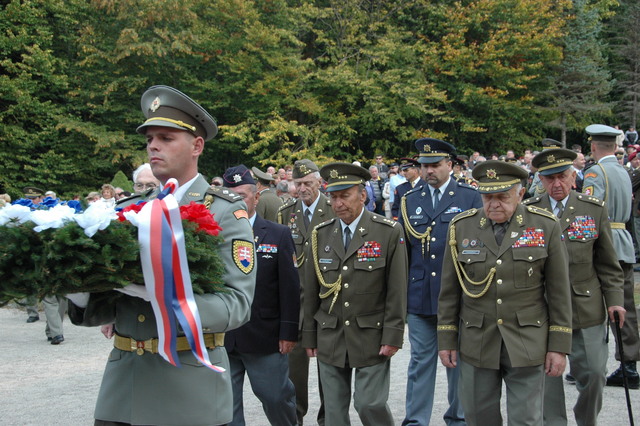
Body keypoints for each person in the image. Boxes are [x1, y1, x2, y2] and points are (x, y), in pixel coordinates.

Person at [66, 85, 256, 425]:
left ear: (197, 146)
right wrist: (78, 288)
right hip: (123, 389)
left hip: (189, 389)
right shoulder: (129, 210)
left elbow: (237, 304)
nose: (153, 145)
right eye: (150, 138)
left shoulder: (225, 211)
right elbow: (112, 306)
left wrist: (166, 298)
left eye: (166, 138)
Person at [437, 160, 572, 425]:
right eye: (487, 197)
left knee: (526, 419)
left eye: (502, 197)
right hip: (478, 340)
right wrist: (446, 339)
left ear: (520, 194)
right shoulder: (462, 226)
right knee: (479, 417)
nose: (494, 204)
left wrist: (559, 347)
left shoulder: (545, 225)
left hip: (527, 340)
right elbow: (449, 291)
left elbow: (559, 292)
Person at [302, 162, 408, 425]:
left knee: (370, 403)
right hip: (330, 334)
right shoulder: (320, 234)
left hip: (370, 333)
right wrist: (309, 335)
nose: (338, 203)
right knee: (334, 413)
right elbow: (311, 290)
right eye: (333, 197)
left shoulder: (387, 232)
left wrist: (393, 334)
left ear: (362, 195)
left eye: (345, 196)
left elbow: (397, 290)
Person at [526, 149, 625, 425]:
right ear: (541, 180)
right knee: (547, 379)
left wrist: (615, 300)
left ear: (573, 176)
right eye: (550, 178)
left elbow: (607, 263)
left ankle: (586, 420)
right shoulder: (529, 211)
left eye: (562, 176)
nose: (557, 184)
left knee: (594, 374)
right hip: (542, 308)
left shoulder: (593, 209)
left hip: (585, 305)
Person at [399, 139, 482, 426]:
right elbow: (405, 252)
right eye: (424, 166)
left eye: (435, 165)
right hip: (421, 294)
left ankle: (458, 418)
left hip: (459, 295)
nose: (428, 171)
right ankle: (416, 421)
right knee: (420, 361)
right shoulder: (410, 199)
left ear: (450, 165)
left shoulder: (470, 197)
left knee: (457, 360)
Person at [222, 165, 299, 426]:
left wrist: (289, 332)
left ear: (256, 197)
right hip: (224, 335)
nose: (235, 202)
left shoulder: (278, 234)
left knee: (275, 397)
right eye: (229, 196)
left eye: (241, 196)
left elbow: (290, 287)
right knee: (226, 407)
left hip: (265, 335)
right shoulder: (213, 235)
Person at [582, 124, 640, 389]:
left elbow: (590, 212)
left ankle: (589, 362)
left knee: (591, 303)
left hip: (603, 242)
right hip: (623, 242)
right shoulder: (624, 171)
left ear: (593, 146)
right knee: (624, 305)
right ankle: (629, 364)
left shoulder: (596, 172)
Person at [277, 159, 332, 425]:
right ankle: (295, 418)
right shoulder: (286, 213)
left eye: (307, 183)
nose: (302, 189)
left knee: (329, 371)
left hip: (326, 302)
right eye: (298, 184)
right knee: (294, 373)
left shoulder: (333, 209)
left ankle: (328, 419)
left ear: (319, 183)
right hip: (296, 304)